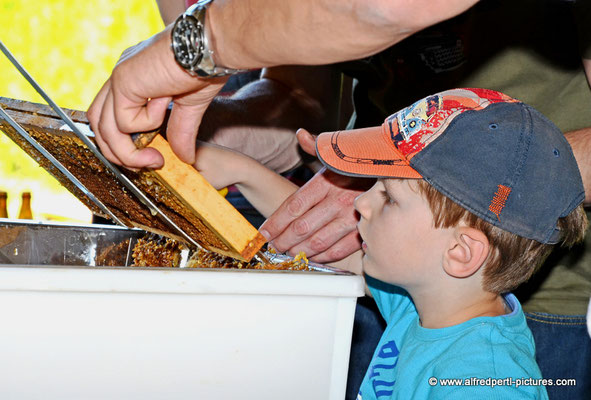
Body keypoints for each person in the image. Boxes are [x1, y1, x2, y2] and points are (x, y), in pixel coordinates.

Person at [193, 88, 587, 399]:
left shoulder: (483, 379)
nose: (361, 202)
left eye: (389, 197)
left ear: (460, 253)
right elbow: (316, 234)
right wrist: (240, 170)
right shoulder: (421, 302)